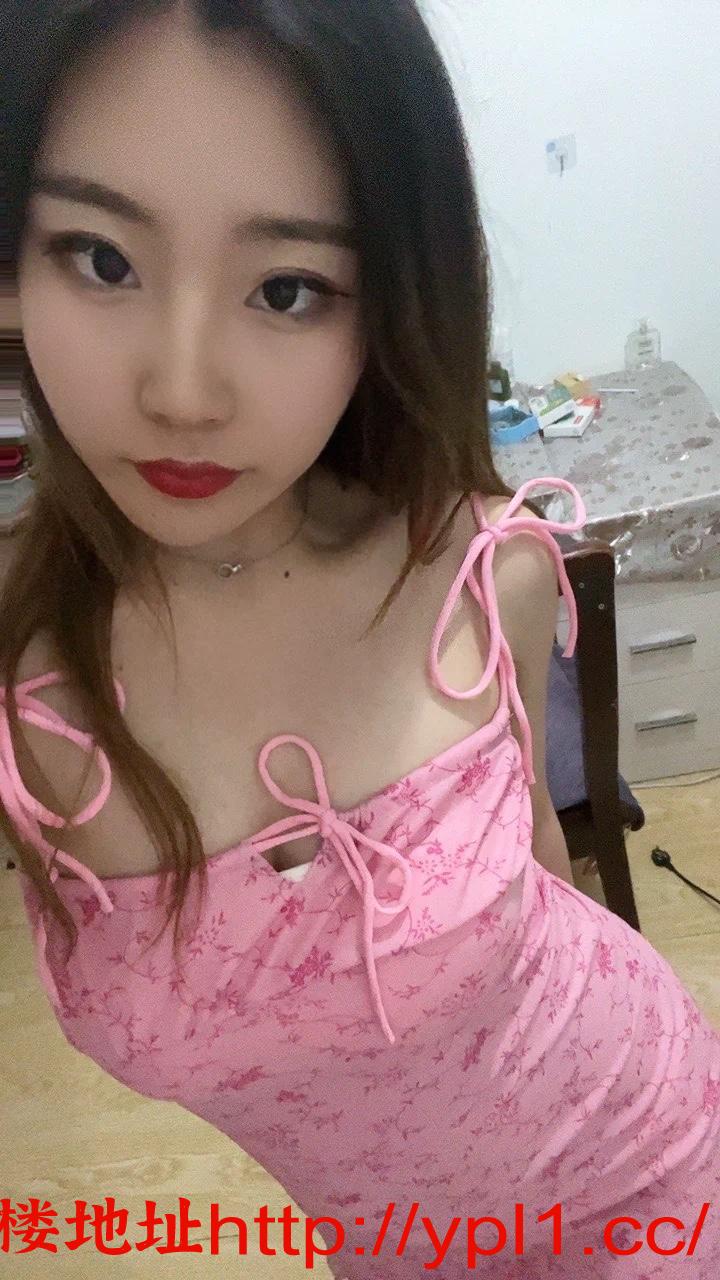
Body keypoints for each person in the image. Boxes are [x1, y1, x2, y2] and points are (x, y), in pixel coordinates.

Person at [1, 2, 718, 1275]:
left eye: (286, 288)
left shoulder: (479, 570)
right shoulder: (28, 683)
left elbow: (542, 882)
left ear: (385, 301)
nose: (182, 389)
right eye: (102, 259)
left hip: (649, 1154)